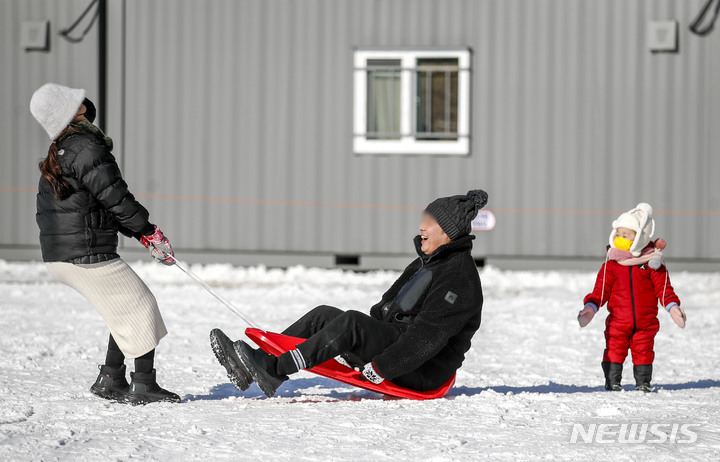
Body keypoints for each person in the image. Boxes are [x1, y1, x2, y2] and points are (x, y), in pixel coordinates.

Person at [210, 190, 488, 397]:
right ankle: (259, 363)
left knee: (352, 324)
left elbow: (427, 338)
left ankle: (274, 369)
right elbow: (385, 308)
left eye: (430, 222)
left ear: (449, 233)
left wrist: (381, 367)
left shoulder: (458, 278)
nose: (421, 227)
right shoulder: (427, 263)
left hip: (422, 370)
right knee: (323, 316)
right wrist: (366, 339)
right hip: (398, 347)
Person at [30, 83, 180, 404]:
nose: (84, 101)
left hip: (64, 254)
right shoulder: (86, 146)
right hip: (84, 252)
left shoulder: (65, 148)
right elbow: (116, 197)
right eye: (75, 100)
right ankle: (143, 385)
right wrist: (149, 231)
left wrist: (140, 234)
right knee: (141, 306)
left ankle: (111, 379)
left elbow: (101, 203)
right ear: (70, 112)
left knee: (124, 308)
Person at [578, 203, 686, 392]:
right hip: (618, 321)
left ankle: (643, 382)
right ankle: (612, 381)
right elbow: (600, 291)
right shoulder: (611, 265)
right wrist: (591, 307)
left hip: (646, 321)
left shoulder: (653, 263)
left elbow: (664, 289)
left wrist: (673, 306)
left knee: (644, 350)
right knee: (614, 348)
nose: (620, 239)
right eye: (618, 235)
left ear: (639, 239)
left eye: (625, 236)